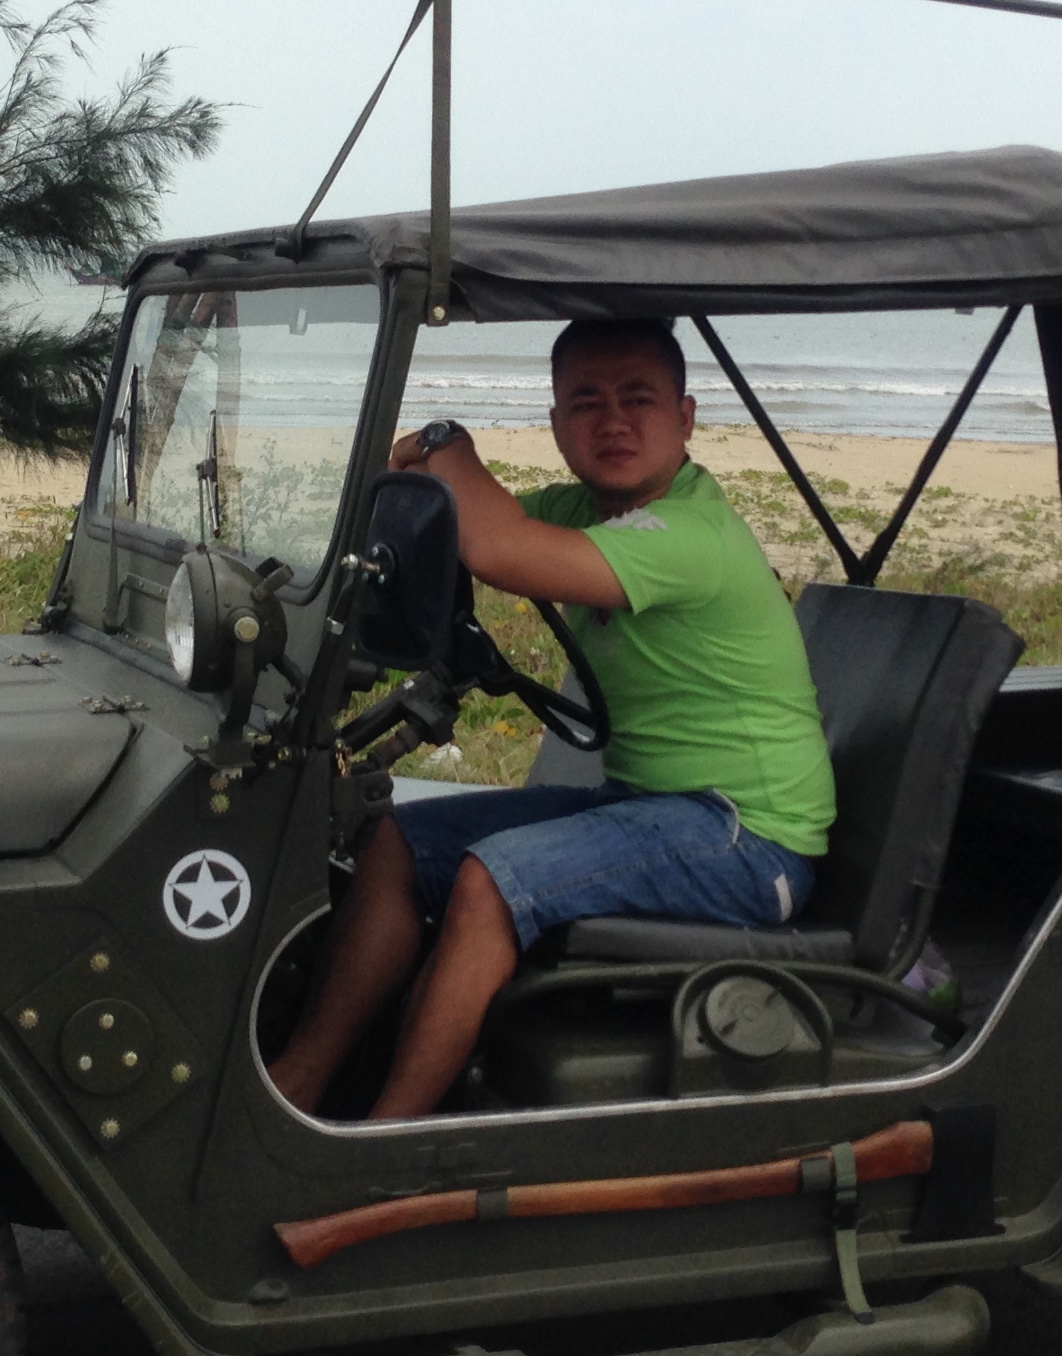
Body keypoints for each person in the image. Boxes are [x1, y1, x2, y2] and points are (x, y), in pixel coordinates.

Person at [267, 317, 835, 1119]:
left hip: (749, 835)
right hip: (655, 806)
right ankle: (299, 1082)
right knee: (397, 840)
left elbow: (498, 546)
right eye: (586, 402)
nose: (614, 421)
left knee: (490, 881)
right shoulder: (584, 508)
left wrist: (443, 439)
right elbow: (452, 529)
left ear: (687, 418)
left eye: (639, 399)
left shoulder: (690, 534)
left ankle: (383, 1144)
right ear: (557, 423)